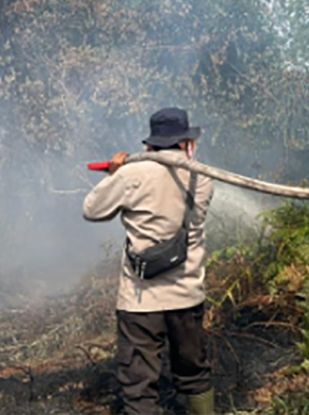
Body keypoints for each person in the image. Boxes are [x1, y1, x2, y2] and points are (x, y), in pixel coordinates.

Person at [82, 107, 215, 415]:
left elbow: (92, 209)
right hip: (187, 295)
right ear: (186, 142)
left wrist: (115, 176)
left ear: (150, 144)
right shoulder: (203, 177)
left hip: (141, 300)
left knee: (139, 388)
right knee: (194, 375)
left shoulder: (131, 174)